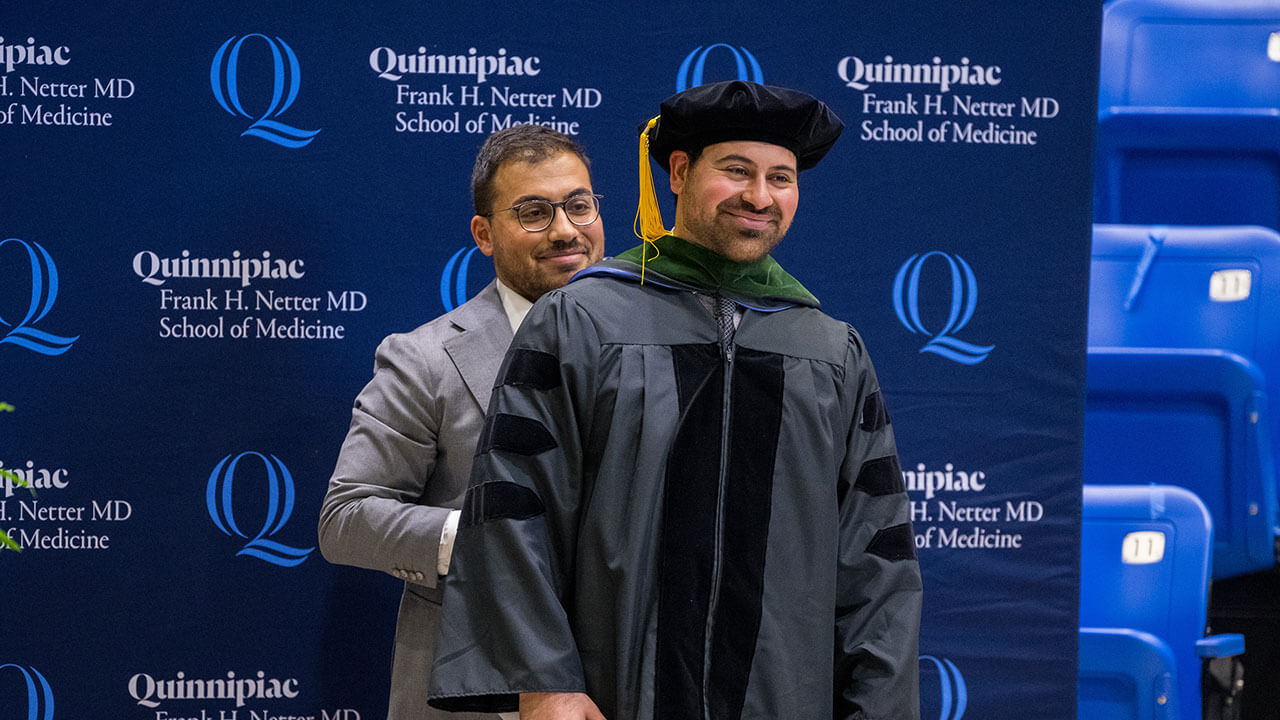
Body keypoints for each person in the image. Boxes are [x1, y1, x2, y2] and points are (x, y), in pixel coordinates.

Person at [427, 80, 922, 720]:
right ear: (681, 173)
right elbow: (516, 512)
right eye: (737, 171)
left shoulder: (831, 351)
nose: (759, 196)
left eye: (782, 178)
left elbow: (875, 561)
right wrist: (542, 681)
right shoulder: (580, 321)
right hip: (613, 698)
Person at [317, 124, 605, 720]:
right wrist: (486, 539)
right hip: (476, 700)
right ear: (484, 234)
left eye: (579, 206)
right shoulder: (423, 359)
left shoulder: (655, 347)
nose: (565, 230)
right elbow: (345, 518)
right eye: (534, 212)